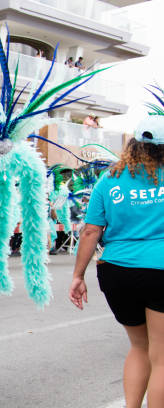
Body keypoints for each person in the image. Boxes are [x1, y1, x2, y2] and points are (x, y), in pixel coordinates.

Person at [69, 117, 164, 408]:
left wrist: (77, 275)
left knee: (138, 346)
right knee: (161, 357)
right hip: (159, 269)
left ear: (133, 143)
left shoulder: (109, 178)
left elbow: (90, 231)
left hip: (115, 270)